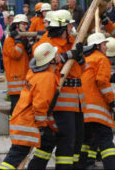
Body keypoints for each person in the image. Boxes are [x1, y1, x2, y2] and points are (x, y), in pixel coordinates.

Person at [31, 9, 85, 170]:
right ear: (63, 27)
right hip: (61, 101)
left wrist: (80, 58)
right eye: (69, 25)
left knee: (75, 142)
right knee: (64, 142)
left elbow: (82, 69)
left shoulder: (72, 42)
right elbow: (44, 68)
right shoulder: (47, 44)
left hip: (77, 101)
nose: (71, 28)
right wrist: (65, 56)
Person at [0, 42, 60, 169]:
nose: (59, 55)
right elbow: (40, 104)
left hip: (21, 120)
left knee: (21, 153)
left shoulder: (35, 73)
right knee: (16, 155)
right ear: (52, 60)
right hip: (28, 123)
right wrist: (41, 125)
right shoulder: (47, 77)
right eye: (56, 54)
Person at [78, 33, 115, 170]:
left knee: (85, 142)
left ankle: (81, 166)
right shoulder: (102, 59)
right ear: (97, 46)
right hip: (98, 109)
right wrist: (112, 103)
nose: (106, 47)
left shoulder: (85, 59)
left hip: (83, 109)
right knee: (106, 143)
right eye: (104, 44)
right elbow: (102, 82)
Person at [3, 14, 30, 116]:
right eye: (23, 24)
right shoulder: (9, 40)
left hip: (24, 78)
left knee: (24, 107)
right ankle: (12, 126)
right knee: (15, 107)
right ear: (17, 25)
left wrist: (28, 47)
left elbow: (30, 58)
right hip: (15, 80)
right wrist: (20, 43)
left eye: (26, 24)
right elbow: (16, 55)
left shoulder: (24, 38)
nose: (25, 26)